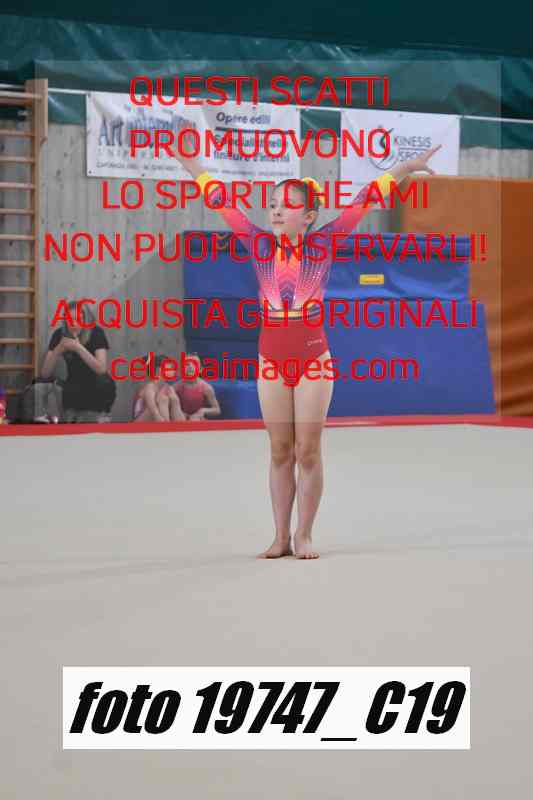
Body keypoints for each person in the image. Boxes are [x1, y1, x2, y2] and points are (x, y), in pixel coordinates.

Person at [174, 124, 441, 558]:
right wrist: (192, 166)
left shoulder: (324, 243)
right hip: (270, 361)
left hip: (313, 361)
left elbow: (365, 199)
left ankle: (305, 533)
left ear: (310, 215)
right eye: (273, 204)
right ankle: (280, 536)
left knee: (307, 451)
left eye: (288, 205)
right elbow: (222, 202)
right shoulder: (258, 244)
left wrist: (406, 168)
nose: (277, 211)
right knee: (280, 450)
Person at [39, 300, 116, 422]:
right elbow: (45, 373)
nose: (74, 324)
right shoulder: (60, 334)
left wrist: (78, 347)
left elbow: (101, 369)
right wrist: (58, 349)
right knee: (41, 383)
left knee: (104, 381)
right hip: (73, 386)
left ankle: (100, 415)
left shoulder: (96, 332)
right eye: (70, 320)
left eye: (78, 319)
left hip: (97, 387)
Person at [132, 354, 186, 422]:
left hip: (156, 419)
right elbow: (153, 410)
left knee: (174, 400)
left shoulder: (168, 387)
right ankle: (165, 426)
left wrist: (175, 401)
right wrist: (161, 420)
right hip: (140, 420)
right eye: (170, 369)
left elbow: (177, 408)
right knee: (163, 399)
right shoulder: (150, 387)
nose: (174, 371)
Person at [176, 353, 221, 421]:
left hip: (199, 420)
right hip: (182, 419)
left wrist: (203, 411)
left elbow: (217, 410)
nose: (190, 367)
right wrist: (180, 413)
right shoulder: (177, 387)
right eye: (187, 364)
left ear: (200, 370)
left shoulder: (206, 388)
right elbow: (171, 407)